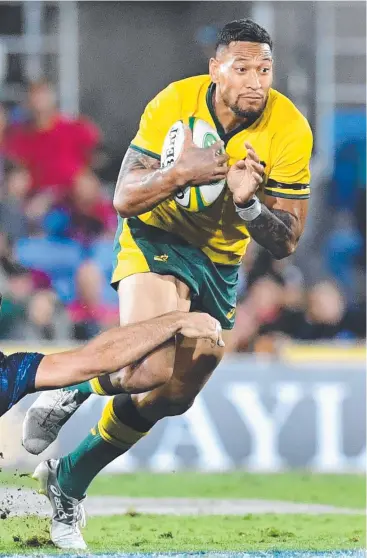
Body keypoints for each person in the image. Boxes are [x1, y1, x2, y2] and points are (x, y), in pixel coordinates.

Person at [23, 18, 312, 549]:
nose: (255, 81)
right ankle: (70, 386)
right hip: (155, 237)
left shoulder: (289, 129)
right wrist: (180, 173)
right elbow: (124, 199)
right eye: (242, 68)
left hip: (220, 262)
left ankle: (67, 479)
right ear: (215, 69)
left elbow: (287, 239)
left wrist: (247, 204)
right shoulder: (173, 103)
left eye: (264, 70)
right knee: (150, 366)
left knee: (172, 394)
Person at [0, 297, 223, 419]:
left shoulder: (10, 374)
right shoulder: (9, 376)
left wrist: (176, 321)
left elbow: (95, 360)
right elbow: (95, 359)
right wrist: (176, 321)